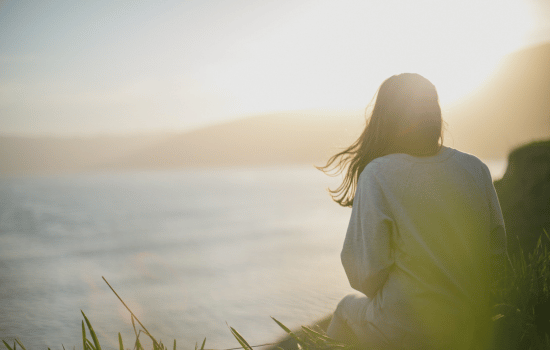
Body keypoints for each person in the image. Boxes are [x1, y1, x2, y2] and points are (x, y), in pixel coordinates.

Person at [318, 73, 507, 350]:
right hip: (472, 323)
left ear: (386, 119)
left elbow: (365, 276)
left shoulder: (378, 174)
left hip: (407, 328)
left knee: (346, 310)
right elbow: (497, 255)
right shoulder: (476, 168)